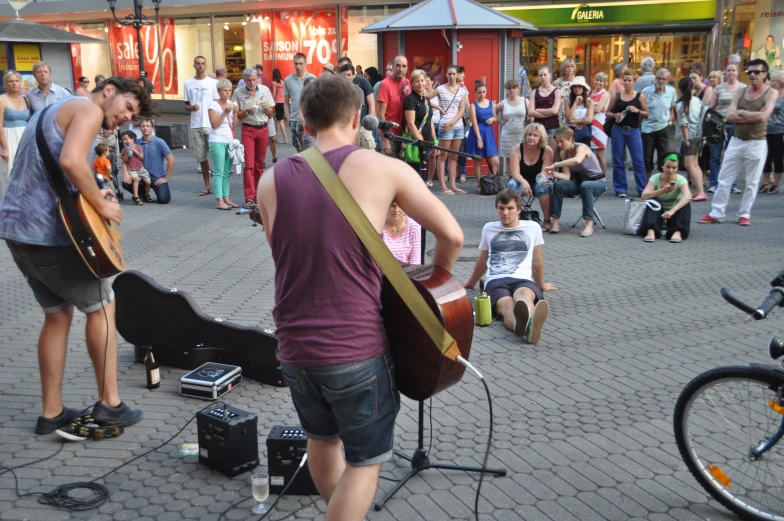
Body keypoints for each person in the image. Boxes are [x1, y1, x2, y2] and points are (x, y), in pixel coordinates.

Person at [255, 73, 463, 521]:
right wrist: (436, 285)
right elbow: (453, 235)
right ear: (356, 117)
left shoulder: (270, 180)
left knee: (321, 440)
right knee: (365, 463)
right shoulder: (383, 167)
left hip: (293, 347)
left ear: (306, 124)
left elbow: (283, 256)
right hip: (355, 348)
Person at [0, 76, 153, 434]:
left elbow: (55, 170)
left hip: (17, 232)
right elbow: (70, 162)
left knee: (57, 315)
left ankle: (51, 411)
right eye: (128, 108)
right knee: (102, 305)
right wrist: (101, 203)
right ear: (110, 90)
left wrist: (95, 193)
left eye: (133, 117)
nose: (125, 119)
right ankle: (110, 404)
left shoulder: (49, 109)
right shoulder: (87, 109)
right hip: (48, 236)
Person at [463, 189, 556, 343]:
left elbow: (536, 260)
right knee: (508, 305)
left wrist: (541, 284)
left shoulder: (533, 228)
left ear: (519, 210)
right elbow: (483, 259)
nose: (505, 213)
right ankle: (529, 328)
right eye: (501, 208)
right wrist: (471, 283)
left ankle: (527, 325)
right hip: (496, 281)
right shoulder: (489, 228)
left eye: (510, 208)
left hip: (522, 279)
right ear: (497, 209)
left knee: (525, 295)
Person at [699, 59, 777, 226]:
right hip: (736, 140)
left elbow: (764, 117)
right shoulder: (741, 91)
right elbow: (729, 116)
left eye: (756, 72)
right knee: (724, 178)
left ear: (764, 74)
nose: (752, 75)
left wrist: (741, 113)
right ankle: (717, 213)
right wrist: (750, 114)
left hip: (757, 142)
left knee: (752, 181)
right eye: (749, 72)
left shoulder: (771, 93)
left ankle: (744, 214)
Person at [545, 126, 608, 237]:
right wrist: (552, 173)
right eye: (557, 142)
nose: (559, 145)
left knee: (586, 185)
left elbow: (577, 160)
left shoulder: (582, 147)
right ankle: (555, 221)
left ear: (570, 138)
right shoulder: (564, 154)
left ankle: (589, 224)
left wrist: (555, 165)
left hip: (598, 182)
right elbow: (566, 176)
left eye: (561, 141)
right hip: (581, 182)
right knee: (558, 185)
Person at [233, 67, 274, 210]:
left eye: (254, 79)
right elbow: (236, 114)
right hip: (248, 130)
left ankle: (259, 195)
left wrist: (266, 107)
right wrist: (246, 112)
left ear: (257, 78)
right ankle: (249, 197)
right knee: (249, 165)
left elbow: (271, 112)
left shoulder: (264, 90)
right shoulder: (238, 93)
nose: (251, 82)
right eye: (248, 80)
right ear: (244, 80)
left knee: (259, 164)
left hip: (263, 128)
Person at [606, 69, 648, 197]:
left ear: (634, 82)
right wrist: (614, 115)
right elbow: (607, 112)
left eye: (630, 80)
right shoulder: (616, 96)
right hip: (618, 130)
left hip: (633, 131)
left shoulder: (640, 96)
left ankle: (642, 189)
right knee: (618, 160)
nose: (627, 83)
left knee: (638, 161)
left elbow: (647, 114)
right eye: (625, 80)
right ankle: (620, 189)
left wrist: (637, 111)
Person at [507, 123, 555, 228]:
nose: (531, 137)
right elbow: (514, 173)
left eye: (535, 135)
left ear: (541, 138)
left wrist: (535, 182)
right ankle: (513, 219)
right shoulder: (517, 149)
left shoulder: (547, 151)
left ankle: (547, 220)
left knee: (543, 186)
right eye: (529, 134)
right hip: (520, 179)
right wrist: (524, 182)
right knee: (511, 185)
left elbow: (544, 175)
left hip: (538, 179)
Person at [427, 64, 466, 194]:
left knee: (454, 156)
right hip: (445, 125)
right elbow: (425, 99)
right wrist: (437, 108)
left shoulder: (462, 90)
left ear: (457, 74)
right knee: (443, 155)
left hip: (458, 126)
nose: (451, 76)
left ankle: (453, 185)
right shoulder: (441, 89)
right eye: (449, 74)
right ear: (446, 75)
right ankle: (443, 186)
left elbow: (462, 110)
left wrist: (453, 122)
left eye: (454, 74)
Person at [184, 56, 219, 196]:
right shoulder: (188, 83)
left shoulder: (213, 83)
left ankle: (219, 186)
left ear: (206, 65)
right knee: (202, 158)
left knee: (216, 156)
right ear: (194, 65)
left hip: (211, 124)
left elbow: (218, 103)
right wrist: (191, 107)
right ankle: (207, 186)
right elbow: (185, 104)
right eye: (198, 63)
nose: (200, 66)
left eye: (203, 63)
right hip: (196, 124)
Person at [639, 152, 692, 242]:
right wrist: (662, 191)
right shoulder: (655, 178)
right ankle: (651, 230)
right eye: (668, 167)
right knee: (652, 200)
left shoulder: (680, 179)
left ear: (677, 168)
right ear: (662, 166)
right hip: (658, 212)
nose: (671, 170)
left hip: (674, 212)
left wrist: (672, 211)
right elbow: (644, 196)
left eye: (674, 168)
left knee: (685, 203)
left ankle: (677, 231)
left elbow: (688, 196)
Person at [709, 62, 745, 193]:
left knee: (733, 156)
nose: (731, 72)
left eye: (733, 70)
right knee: (715, 155)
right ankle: (714, 183)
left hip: (736, 124)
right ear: (725, 73)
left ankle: (732, 185)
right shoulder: (718, 88)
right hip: (719, 124)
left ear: (737, 72)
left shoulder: (743, 87)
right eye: (728, 70)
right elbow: (712, 107)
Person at [120, 119, 174, 204]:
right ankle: (142, 194)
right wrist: (126, 174)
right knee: (125, 183)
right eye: (143, 126)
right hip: (141, 176)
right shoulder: (135, 143)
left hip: (157, 178)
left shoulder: (159, 142)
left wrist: (166, 178)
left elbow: (171, 160)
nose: (145, 128)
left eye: (148, 126)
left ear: (152, 128)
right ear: (140, 128)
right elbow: (125, 161)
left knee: (164, 199)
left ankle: (145, 193)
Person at [675, 76, 708, 201]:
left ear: (679, 89)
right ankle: (701, 191)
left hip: (689, 137)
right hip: (698, 135)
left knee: (689, 165)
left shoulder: (680, 104)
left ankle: (700, 192)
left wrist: (686, 139)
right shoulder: (697, 101)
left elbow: (683, 124)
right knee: (695, 164)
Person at [208, 79, 239, 211]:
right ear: (219, 91)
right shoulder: (213, 105)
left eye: (229, 90)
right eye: (225, 90)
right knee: (219, 171)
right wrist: (225, 112)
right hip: (217, 140)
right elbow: (214, 124)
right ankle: (219, 200)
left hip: (229, 141)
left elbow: (236, 125)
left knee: (226, 172)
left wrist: (235, 112)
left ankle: (226, 198)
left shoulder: (231, 104)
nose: (228, 93)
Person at [641, 68, 676, 180]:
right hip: (648, 128)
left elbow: (672, 108)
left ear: (668, 80)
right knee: (647, 157)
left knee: (665, 156)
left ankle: (663, 182)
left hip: (663, 127)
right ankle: (648, 183)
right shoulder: (646, 91)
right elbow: (641, 109)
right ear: (655, 78)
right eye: (659, 78)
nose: (661, 81)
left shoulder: (671, 91)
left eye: (664, 79)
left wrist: (670, 121)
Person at [0, 70, 31, 197]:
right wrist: (5, 148)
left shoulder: (26, 100)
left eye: (17, 81)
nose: (14, 84)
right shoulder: (1, 100)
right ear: (6, 83)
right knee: (10, 174)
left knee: (26, 173)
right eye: (11, 81)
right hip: (9, 139)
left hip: (25, 139)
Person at [403, 69, 438, 178]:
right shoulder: (410, 100)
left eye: (422, 81)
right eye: (417, 81)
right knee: (415, 174)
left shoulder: (426, 99)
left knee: (422, 173)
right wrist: (421, 142)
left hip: (426, 140)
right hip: (416, 142)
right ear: (412, 83)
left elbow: (429, 120)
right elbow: (411, 123)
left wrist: (435, 141)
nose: (420, 84)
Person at [466, 81, 499, 192]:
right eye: (479, 92)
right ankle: (480, 185)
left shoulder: (491, 103)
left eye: (484, 92)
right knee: (478, 161)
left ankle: (490, 182)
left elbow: (495, 117)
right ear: (475, 93)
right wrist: (479, 138)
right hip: (477, 133)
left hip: (489, 133)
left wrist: (493, 119)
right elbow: (474, 123)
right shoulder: (473, 106)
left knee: (495, 161)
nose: (482, 94)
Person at [377, 55, 412, 158]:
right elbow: (380, 114)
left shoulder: (407, 82)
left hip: (403, 133)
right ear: (393, 67)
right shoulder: (385, 84)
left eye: (403, 66)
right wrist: (385, 139)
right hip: (389, 133)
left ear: (407, 68)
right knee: (389, 167)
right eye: (398, 65)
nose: (400, 69)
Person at [338, 61, 376, 150]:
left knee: (368, 155)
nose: (346, 77)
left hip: (361, 127)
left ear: (353, 75)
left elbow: (358, 112)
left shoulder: (358, 90)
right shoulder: (337, 91)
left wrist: (368, 125)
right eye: (344, 75)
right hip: (343, 129)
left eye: (348, 75)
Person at [284, 52, 317, 152]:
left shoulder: (312, 78)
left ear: (305, 63)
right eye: (296, 63)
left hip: (309, 119)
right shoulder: (288, 80)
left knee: (310, 148)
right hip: (294, 119)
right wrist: (288, 119)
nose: (298, 66)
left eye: (300, 63)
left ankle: (308, 166)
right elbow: (285, 102)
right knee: (299, 149)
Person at [759, 69, 784, 194]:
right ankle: (766, 182)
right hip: (766, 129)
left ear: (780, 82)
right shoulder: (769, 93)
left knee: (778, 157)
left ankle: (775, 184)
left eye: (774, 80)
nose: (771, 82)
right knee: (766, 157)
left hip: (779, 130)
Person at [495, 79, 528, 172]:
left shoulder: (524, 101)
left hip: (521, 134)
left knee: (522, 158)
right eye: (509, 88)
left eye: (514, 88)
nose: (511, 90)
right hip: (507, 135)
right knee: (509, 159)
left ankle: (521, 180)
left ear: (518, 88)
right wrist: (499, 120)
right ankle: (511, 182)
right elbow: (493, 111)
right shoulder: (504, 102)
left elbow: (531, 115)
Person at [528, 66, 561, 149]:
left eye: (545, 75)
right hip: (538, 127)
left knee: (552, 154)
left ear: (549, 75)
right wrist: (549, 112)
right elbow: (530, 112)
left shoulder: (556, 91)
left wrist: (538, 110)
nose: (543, 77)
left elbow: (554, 111)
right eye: (540, 75)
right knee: (537, 153)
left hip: (552, 127)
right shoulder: (534, 92)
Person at [120, 130, 151, 205]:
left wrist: (134, 150)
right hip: (131, 169)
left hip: (140, 168)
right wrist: (127, 153)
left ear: (133, 138)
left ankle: (146, 195)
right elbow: (124, 161)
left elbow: (141, 157)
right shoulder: (124, 150)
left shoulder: (138, 147)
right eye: (124, 139)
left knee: (148, 182)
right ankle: (136, 196)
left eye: (127, 139)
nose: (125, 141)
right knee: (136, 179)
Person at [564, 76, 594, 147]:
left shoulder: (589, 101)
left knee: (584, 152)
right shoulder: (567, 101)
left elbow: (589, 119)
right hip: (570, 131)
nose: (577, 89)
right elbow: (568, 117)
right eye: (575, 87)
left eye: (579, 87)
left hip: (584, 130)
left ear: (583, 88)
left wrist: (573, 121)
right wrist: (575, 103)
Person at [590, 73, 610, 174]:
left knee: (599, 154)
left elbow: (598, 109)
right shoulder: (590, 93)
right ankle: (593, 175)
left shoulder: (605, 94)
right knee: (590, 154)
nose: (598, 82)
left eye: (601, 81)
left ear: (605, 83)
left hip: (600, 126)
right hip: (589, 125)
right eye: (597, 80)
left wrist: (588, 109)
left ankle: (603, 178)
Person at [272, 68, 287, 144]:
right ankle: (277, 138)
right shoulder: (283, 82)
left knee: (280, 121)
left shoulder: (274, 83)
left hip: (277, 103)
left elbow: (274, 95)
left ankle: (285, 138)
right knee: (278, 121)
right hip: (283, 102)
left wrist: (272, 102)